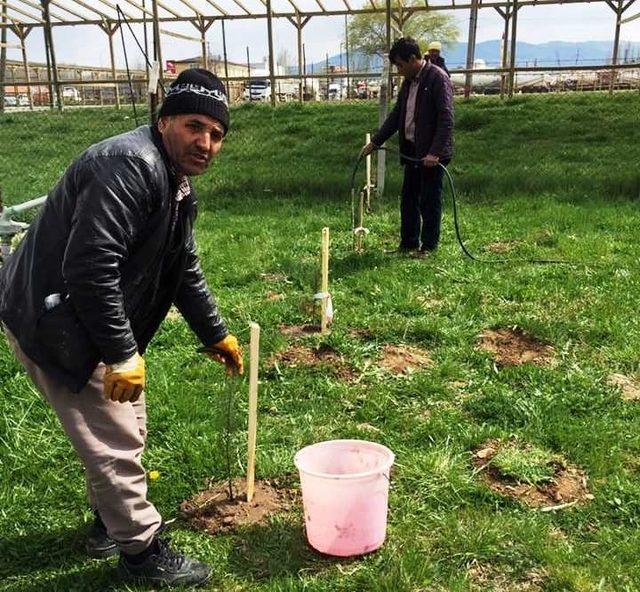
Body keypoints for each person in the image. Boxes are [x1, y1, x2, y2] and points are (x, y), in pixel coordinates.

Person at [0, 68, 243, 588]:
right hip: (56, 318)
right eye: (194, 127)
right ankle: (141, 551)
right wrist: (121, 353)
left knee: (125, 429)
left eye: (216, 134)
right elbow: (89, 267)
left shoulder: (173, 182)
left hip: (80, 314)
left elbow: (184, 266)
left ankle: (106, 522)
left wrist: (213, 332)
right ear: (165, 121)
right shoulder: (129, 166)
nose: (205, 143)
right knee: (113, 438)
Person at [360, 37, 454, 256]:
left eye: (401, 65)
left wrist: (435, 152)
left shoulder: (438, 78)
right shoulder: (409, 83)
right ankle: (408, 243)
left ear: (413, 59)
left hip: (431, 154)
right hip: (412, 151)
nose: (399, 71)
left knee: (429, 200)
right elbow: (396, 116)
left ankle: (428, 246)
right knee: (409, 198)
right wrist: (375, 142)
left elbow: (446, 119)